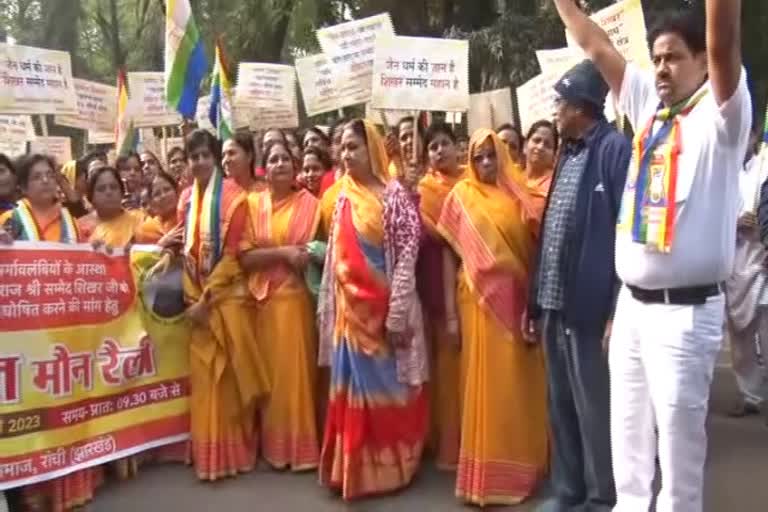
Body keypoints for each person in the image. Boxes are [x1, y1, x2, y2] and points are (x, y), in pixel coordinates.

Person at [553, 1, 752, 510]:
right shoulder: (647, 108)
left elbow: (725, 38)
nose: (661, 68)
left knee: (679, 455)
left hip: (686, 316)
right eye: (656, 58)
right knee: (628, 448)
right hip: (634, 311)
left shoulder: (722, 118)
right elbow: (595, 45)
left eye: (674, 58)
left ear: (704, 63)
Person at [527, 59, 631, 512]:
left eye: (561, 102)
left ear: (582, 106)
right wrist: (534, 303)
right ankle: (568, 490)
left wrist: (615, 307)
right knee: (561, 404)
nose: (555, 110)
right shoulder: (567, 153)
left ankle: (600, 495)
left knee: (594, 407)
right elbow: (553, 232)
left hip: (589, 309)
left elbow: (625, 232)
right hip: (553, 303)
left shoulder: (612, 150)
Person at [317, 119, 428, 500]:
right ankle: (352, 470)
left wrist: (396, 313)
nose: (347, 155)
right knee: (353, 394)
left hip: (384, 316)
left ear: (373, 150)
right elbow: (336, 255)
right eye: (343, 147)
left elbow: (406, 256)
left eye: (355, 147)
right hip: (350, 316)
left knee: (390, 393)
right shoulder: (342, 195)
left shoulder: (394, 196)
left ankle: (391, 470)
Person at [437, 129, 547, 506]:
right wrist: (451, 316)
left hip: (515, 305)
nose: (485, 164)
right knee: (483, 386)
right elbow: (448, 255)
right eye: (478, 157)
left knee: (514, 386)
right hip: (475, 304)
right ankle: (483, 478)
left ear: (503, 157)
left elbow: (535, 255)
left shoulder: (520, 199)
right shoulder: (460, 198)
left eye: (491, 156)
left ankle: (521, 470)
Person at [0, 155, 103, 512]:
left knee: (70, 406)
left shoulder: (74, 223)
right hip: (27, 335)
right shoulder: (10, 222)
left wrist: (105, 253)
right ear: (24, 187)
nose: (46, 182)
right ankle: (33, 488)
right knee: (34, 410)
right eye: (38, 177)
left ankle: (74, 481)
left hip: (67, 332)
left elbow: (98, 253)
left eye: (50, 176)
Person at [174, 129, 270, 480]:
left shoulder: (234, 198)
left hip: (226, 299)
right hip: (197, 299)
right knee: (205, 382)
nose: (199, 161)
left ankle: (236, 455)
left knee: (229, 382)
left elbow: (232, 257)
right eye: (193, 156)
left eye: (205, 155)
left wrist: (206, 299)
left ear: (215, 159)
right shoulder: (185, 199)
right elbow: (188, 250)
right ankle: (208, 455)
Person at [239, 140, 321, 470]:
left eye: (286, 158)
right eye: (273, 159)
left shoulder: (311, 204)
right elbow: (245, 258)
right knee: (270, 380)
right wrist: (284, 253)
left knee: (296, 378)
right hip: (260, 302)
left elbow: (317, 250)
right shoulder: (252, 204)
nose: (280, 163)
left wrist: (303, 254)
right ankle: (274, 447)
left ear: (294, 165)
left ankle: (300, 450)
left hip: (296, 299)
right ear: (264, 168)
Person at [417, 122, 465, 469]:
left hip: (472, 276)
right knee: (442, 364)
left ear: (457, 147)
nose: (439, 150)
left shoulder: (471, 184)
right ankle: (444, 440)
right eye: (432, 146)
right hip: (434, 278)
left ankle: (470, 437)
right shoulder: (423, 190)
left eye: (445, 143)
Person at [725, 130, 768, 419]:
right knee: (740, 343)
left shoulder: (764, 166)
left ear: (753, 137)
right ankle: (750, 395)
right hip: (733, 262)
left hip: (762, 260)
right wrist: (734, 223)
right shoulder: (722, 172)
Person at [77, 166, 144, 249]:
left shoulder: (139, 219)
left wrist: (136, 249)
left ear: (122, 192)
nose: (108, 192)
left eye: (113, 187)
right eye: (101, 189)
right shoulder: (79, 227)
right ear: (91, 196)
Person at [523, 120, 559, 223]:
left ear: (554, 155)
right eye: (536, 140)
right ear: (525, 145)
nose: (540, 147)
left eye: (547, 145)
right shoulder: (514, 179)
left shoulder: (556, 186)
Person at [136, 171, 184, 246]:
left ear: (177, 191)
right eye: (157, 194)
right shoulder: (146, 230)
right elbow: (142, 257)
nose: (163, 196)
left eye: (167, 189)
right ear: (151, 203)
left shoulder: (189, 217)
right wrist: (161, 244)